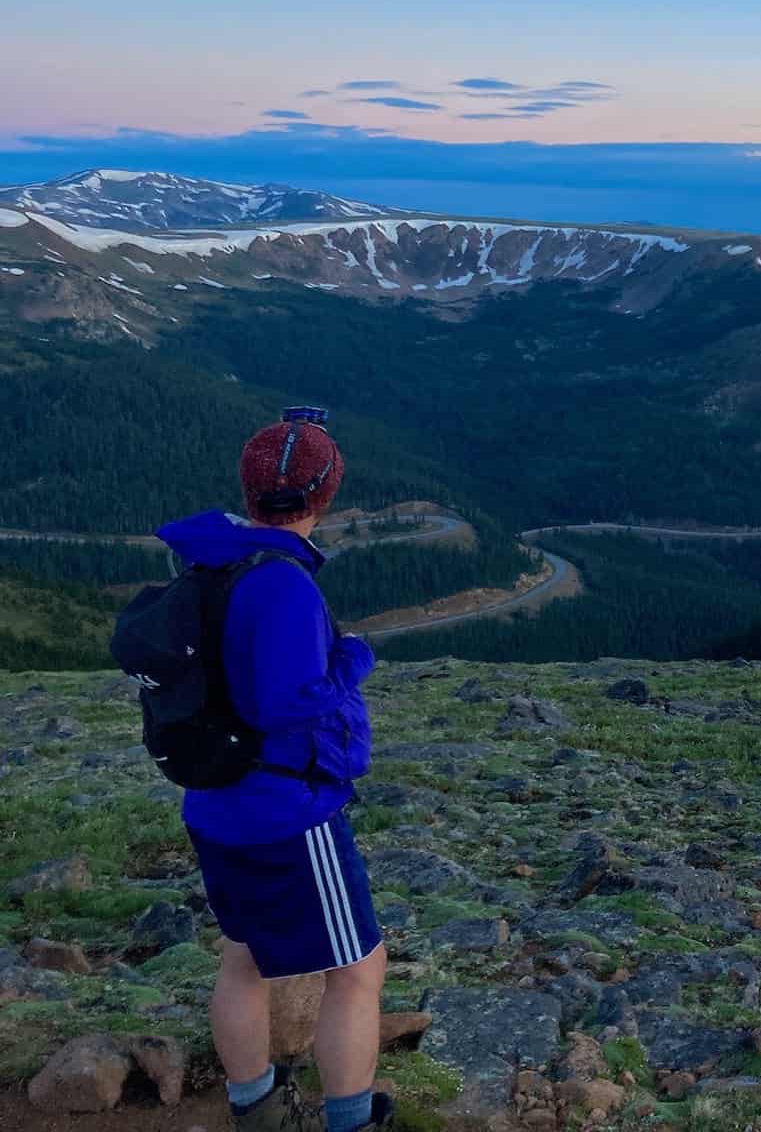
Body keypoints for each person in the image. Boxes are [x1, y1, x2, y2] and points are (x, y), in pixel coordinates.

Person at [155, 411, 387, 1132]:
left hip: (215, 802)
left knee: (244, 958)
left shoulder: (212, 560)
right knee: (357, 970)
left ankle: (253, 1106)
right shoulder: (282, 581)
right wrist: (351, 661)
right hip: (285, 813)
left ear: (249, 492)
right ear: (324, 495)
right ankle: (350, 1120)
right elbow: (285, 701)